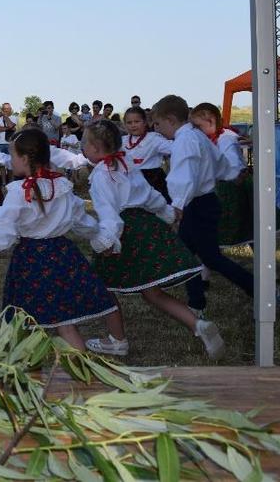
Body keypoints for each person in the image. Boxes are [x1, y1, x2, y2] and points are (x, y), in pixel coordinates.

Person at [0, 129, 125, 352]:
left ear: (24, 159)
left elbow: (2, 225)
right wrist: (101, 236)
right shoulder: (61, 186)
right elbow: (81, 220)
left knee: (24, 318)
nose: (10, 160)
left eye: (13, 155)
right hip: (62, 255)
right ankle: (80, 370)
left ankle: (25, 364)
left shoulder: (19, 191)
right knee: (63, 321)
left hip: (31, 260)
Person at [81, 120, 221, 358]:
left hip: (122, 233)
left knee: (104, 287)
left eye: (83, 143)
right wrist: (167, 213)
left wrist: (105, 243)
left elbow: (110, 217)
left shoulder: (101, 176)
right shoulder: (126, 164)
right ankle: (197, 324)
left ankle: (117, 340)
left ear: (94, 149)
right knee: (152, 291)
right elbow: (150, 196)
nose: (82, 148)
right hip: (145, 226)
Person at [150, 95, 254, 315]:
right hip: (202, 203)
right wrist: (230, 173)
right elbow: (217, 160)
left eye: (158, 124)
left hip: (197, 204)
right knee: (188, 253)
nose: (157, 129)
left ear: (170, 119)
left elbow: (186, 175)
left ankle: (255, 288)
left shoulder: (185, 140)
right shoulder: (196, 136)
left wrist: (177, 206)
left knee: (210, 257)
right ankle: (196, 301)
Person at [190, 103, 253, 246]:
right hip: (224, 185)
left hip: (232, 186)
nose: (195, 131)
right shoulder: (211, 137)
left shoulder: (225, 138)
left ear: (211, 122)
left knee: (242, 224)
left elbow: (234, 164)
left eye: (198, 127)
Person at [122, 107, 172, 200]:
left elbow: (174, 149)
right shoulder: (123, 141)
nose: (133, 125)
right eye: (129, 122)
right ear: (125, 124)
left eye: (137, 121)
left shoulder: (154, 138)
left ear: (145, 122)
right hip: (130, 181)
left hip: (153, 181)